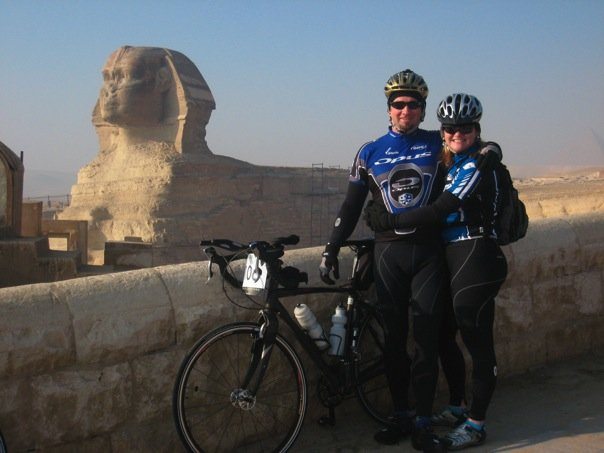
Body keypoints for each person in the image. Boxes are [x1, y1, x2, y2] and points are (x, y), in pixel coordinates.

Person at [319, 70, 498, 452]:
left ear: (422, 110)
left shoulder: (438, 143)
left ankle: (421, 419)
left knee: (427, 340)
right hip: (388, 256)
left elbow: (472, 143)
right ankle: (401, 415)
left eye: (413, 104)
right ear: (388, 109)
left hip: (427, 254)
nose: (405, 110)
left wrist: (492, 149)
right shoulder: (369, 151)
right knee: (394, 342)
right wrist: (331, 248)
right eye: (398, 104)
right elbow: (351, 206)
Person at [364, 92, 509, 450]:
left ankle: (476, 425)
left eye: (466, 127)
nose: (457, 133)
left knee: (478, 342)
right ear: (442, 132)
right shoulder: (453, 162)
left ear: (476, 129)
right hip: (451, 256)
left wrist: (388, 221)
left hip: (476, 254)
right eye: (451, 128)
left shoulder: (476, 163)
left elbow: (440, 207)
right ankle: (459, 407)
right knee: (444, 334)